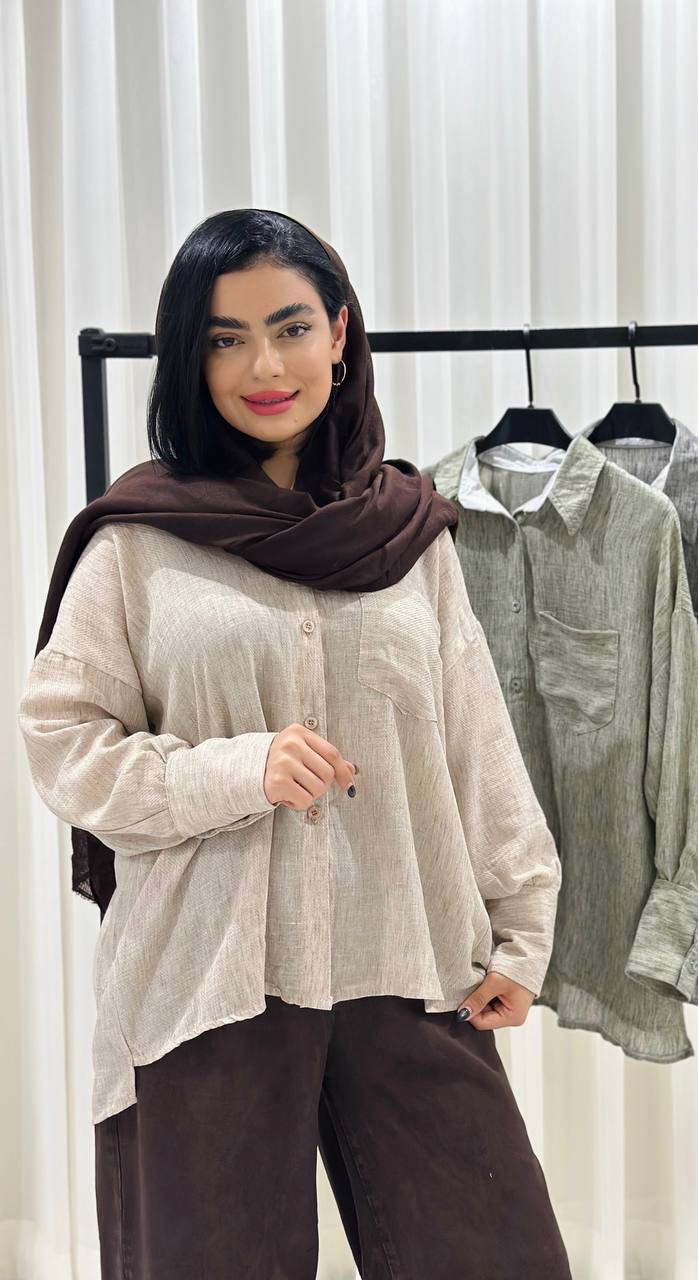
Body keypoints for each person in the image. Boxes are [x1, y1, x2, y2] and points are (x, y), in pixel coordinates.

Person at [18, 208, 572, 1279]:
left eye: (290, 327)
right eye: (225, 339)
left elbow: (475, 740)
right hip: (204, 977)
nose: (263, 367)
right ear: (188, 357)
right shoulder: (137, 541)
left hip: (404, 955)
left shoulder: (411, 534)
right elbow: (63, 742)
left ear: (339, 332)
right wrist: (237, 770)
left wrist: (521, 929)